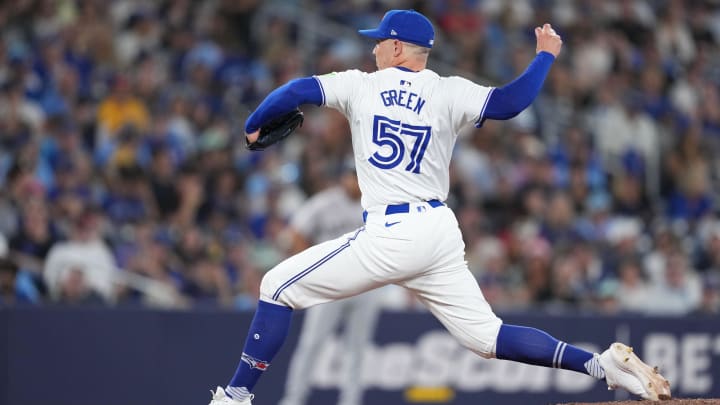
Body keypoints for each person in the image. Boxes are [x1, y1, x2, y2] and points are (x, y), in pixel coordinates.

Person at [209, 10, 671, 404]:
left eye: (378, 43)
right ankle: (600, 364)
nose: (372, 51)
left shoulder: (360, 86)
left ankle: (235, 397)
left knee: (275, 285)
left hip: (392, 232)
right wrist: (545, 55)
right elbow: (512, 103)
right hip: (438, 231)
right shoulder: (450, 89)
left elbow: (293, 92)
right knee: (486, 338)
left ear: (395, 48)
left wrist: (253, 127)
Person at [279, 164, 383, 405]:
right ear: (343, 178)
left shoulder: (377, 203)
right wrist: (307, 266)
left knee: (357, 347)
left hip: (366, 285)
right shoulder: (325, 203)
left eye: (359, 177)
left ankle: (351, 400)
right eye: (351, 176)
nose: (355, 181)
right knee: (312, 342)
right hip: (331, 285)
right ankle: (294, 398)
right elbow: (296, 231)